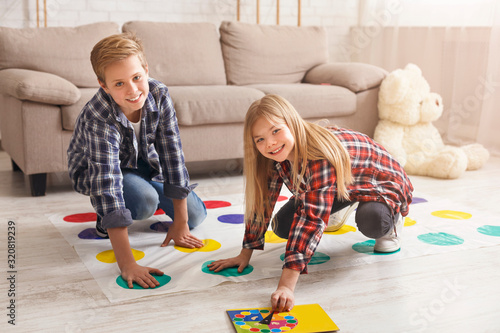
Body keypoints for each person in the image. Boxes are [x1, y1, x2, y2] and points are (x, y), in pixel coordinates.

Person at [208, 94, 413, 312]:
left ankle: (390, 222)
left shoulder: (320, 156)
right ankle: (333, 204)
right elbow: (262, 203)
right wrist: (245, 253)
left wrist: (286, 287)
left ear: (292, 123)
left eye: (276, 131)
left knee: (371, 222)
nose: (270, 143)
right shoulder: (273, 157)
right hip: (340, 183)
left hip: (379, 183)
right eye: (259, 139)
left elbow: (310, 220)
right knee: (284, 226)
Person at [67, 33, 207, 289]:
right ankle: (105, 219)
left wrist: (181, 223)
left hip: (143, 163)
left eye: (136, 78)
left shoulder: (159, 94)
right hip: (101, 171)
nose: (132, 90)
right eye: (118, 84)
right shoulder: (97, 116)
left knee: (195, 216)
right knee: (144, 203)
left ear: (146, 70)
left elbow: (172, 155)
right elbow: (106, 182)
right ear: (103, 85)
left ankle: (144, 197)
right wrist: (127, 263)